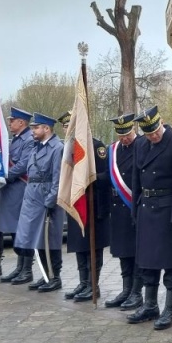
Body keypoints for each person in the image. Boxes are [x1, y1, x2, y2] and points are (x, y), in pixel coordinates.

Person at [126, 106, 172, 330]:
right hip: (147, 208)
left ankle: (169, 309)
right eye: (148, 133)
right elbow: (137, 178)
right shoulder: (142, 145)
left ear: (161, 123)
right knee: (147, 261)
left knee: (171, 262)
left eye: (155, 131)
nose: (153, 136)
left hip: (168, 211)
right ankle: (150, 304)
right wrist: (136, 209)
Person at [62, 120, 112, 303]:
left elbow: (107, 175)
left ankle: (93, 284)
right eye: (65, 127)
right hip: (77, 202)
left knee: (93, 247)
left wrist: (88, 177)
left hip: (94, 205)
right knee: (79, 245)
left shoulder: (97, 147)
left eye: (69, 126)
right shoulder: (69, 149)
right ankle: (83, 282)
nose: (66, 130)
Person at [15, 113, 65, 293]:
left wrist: (50, 201)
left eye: (36, 127)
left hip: (45, 198)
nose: (33, 131)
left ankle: (54, 276)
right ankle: (44, 274)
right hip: (33, 198)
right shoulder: (36, 148)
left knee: (49, 238)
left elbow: (58, 177)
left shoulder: (57, 148)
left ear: (47, 128)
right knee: (36, 238)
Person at [103, 113, 146, 310]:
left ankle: (137, 292)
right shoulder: (113, 150)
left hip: (135, 206)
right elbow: (107, 176)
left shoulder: (143, 145)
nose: (124, 138)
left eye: (127, 133)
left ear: (133, 129)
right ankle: (126, 289)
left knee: (136, 252)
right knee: (122, 252)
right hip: (117, 207)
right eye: (120, 134)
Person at [0, 107, 36, 285]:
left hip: (21, 187)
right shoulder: (16, 139)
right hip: (12, 189)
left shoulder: (28, 139)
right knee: (15, 230)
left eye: (12, 121)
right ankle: (20, 266)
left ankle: (27, 269)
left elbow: (23, 165)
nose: (9, 123)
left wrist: (5, 177)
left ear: (21, 122)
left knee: (24, 230)